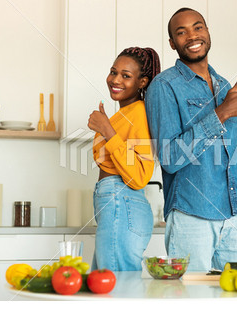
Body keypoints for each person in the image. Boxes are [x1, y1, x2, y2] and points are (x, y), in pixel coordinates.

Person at [145, 8, 237, 271]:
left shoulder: (224, 86)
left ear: (207, 32)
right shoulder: (164, 87)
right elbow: (170, 158)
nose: (192, 36)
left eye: (198, 27)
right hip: (192, 216)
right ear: (172, 43)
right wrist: (222, 113)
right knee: (191, 301)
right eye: (181, 32)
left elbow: (231, 152)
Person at [88, 47, 161, 271]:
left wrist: (107, 130)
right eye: (113, 72)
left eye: (126, 76)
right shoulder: (126, 113)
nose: (115, 79)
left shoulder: (138, 112)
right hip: (116, 202)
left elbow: (140, 176)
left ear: (142, 82)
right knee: (103, 285)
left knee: (116, 286)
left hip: (122, 200)